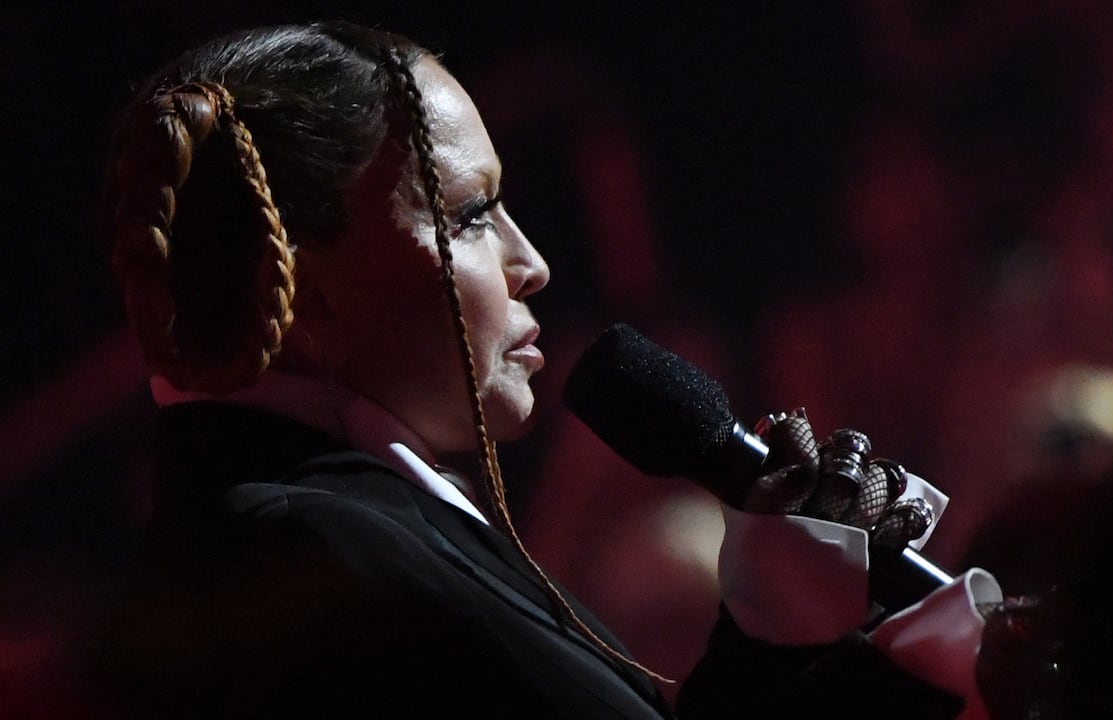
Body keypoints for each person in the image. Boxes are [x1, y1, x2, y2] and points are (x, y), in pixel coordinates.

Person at [78, 20, 1000, 719]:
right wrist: (892, 671)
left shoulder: (328, 531)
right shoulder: (305, 558)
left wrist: (779, 634)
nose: (533, 263)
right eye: (473, 216)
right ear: (307, 287)